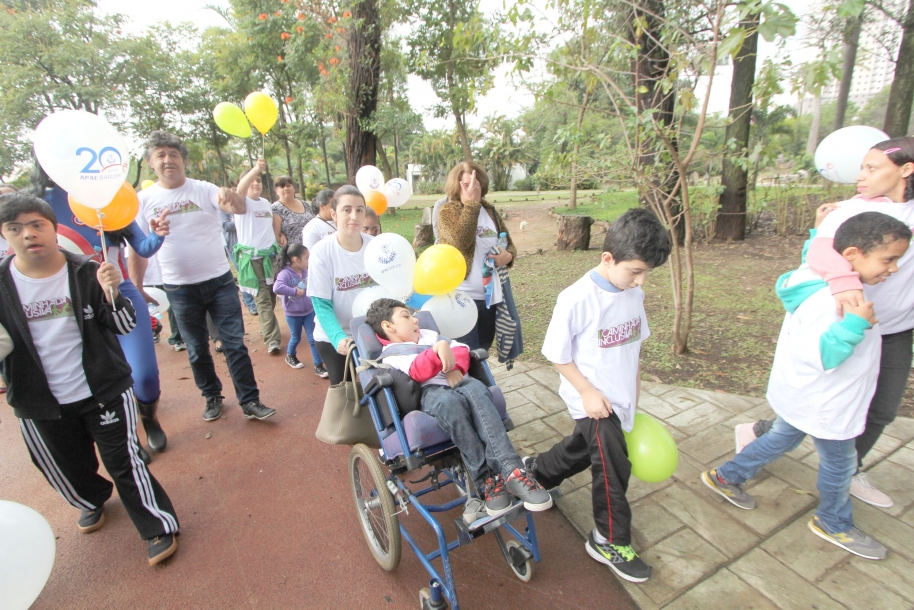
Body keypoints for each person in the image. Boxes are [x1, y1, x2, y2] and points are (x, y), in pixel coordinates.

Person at [703, 212, 911, 561]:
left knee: (780, 438)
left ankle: (726, 476)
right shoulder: (830, 303)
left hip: (810, 399)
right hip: (825, 403)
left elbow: (810, 252)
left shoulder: (820, 278)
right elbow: (824, 355)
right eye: (888, 259)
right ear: (851, 255)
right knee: (840, 465)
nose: (893, 269)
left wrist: (818, 229)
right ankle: (832, 521)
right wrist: (856, 325)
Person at [0, 193, 179, 566]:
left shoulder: (86, 271)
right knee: (67, 466)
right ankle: (92, 498)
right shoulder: (2, 284)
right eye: (15, 228)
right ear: (5, 235)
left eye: (37, 225)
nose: (29, 235)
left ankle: (157, 524)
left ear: (54, 228)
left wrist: (113, 295)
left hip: (103, 390)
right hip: (39, 401)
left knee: (125, 460)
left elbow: (125, 325)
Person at [735, 137, 914, 509]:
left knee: (876, 409)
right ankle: (834, 505)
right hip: (850, 323)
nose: (859, 176)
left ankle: (843, 471)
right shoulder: (850, 211)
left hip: (894, 327)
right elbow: (818, 252)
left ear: (906, 170)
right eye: (862, 166)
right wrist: (846, 285)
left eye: (871, 168)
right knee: (812, 419)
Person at [527, 208, 672, 583]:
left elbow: (634, 348)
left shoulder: (632, 294)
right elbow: (556, 354)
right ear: (608, 258)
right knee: (612, 466)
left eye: (646, 274)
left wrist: (634, 398)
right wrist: (588, 392)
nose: (640, 281)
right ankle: (608, 538)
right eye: (635, 271)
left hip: (621, 398)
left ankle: (538, 473)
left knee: (584, 448)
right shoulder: (575, 298)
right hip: (591, 400)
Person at [134, 130, 275, 423]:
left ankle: (250, 400)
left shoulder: (204, 188)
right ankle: (212, 396)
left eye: (173, 154)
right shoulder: (143, 200)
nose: (168, 160)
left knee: (234, 343)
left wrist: (231, 196)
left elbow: (236, 207)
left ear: (184, 160)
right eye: (160, 155)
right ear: (150, 162)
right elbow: (137, 247)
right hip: (178, 287)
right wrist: (136, 287)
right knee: (197, 349)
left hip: (220, 280)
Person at [366, 298, 552, 520]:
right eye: (406, 316)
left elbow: (462, 349)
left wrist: (454, 363)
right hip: (432, 393)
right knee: (450, 404)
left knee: (478, 390)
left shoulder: (428, 335)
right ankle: (487, 481)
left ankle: (511, 469)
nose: (414, 319)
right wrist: (440, 349)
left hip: (460, 381)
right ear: (389, 326)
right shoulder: (393, 353)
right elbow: (418, 370)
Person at [36, 169, 171, 462]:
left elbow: (143, 246)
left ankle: (149, 417)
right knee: (102, 380)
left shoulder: (109, 197)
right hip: (74, 303)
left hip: (120, 293)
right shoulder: (42, 202)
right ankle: (128, 439)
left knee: (144, 376)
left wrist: (157, 234)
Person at [437, 163, 520, 353]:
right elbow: (461, 241)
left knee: (482, 352)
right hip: (460, 297)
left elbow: (508, 242)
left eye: (476, 185)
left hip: (489, 297)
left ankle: (482, 383)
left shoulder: (490, 211)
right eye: (466, 185)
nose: (472, 190)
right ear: (456, 187)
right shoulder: (447, 211)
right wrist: (472, 205)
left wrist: (508, 256)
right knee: (467, 355)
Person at [307, 185, 376, 384]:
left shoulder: (376, 247)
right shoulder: (321, 252)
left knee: (379, 392)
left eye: (359, 210)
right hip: (335, 339)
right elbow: (320, 303)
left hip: (370, 333)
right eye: (347, 210)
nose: (354, 216)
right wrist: (338, 338)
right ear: (333, 214)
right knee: (345, 396)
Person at [235, 160, 282, 354]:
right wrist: (256, 169)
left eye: (259, 181)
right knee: (262, 298)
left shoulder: (265, 204)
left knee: (271, 297)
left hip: (270, 258)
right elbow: (239, 190)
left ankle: (266, 327)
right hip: (252, 260)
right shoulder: (241, 203)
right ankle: (273, 339)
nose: (256, 184)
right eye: (252, 181)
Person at [273, 242, 328, 377]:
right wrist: (293, 291)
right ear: (296, 260)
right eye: (307, 258)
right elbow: (276, 288)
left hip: (308, 311)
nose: (309, 261)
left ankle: (318, 365)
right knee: (296, 337)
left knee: (312, 338)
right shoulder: (285, 274)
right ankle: (290, 355)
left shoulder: (306, 271)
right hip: (293, 314)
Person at [219, 209, 259, 315]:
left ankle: (251, 300)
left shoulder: (245, 204)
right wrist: (244, 220)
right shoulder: (223, 209)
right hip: (234, 247)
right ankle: (250, 303)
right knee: (243, 274)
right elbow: (226, 226)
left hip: (249, 245)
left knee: (252, 273)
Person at [271, 175, 313, 246]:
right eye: (282, 186)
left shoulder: (305, 204)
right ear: (276, 191)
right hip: (292, 252)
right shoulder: (276, 208)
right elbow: (276, 235)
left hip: (311, 247)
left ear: (293, 188)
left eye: (288, 186)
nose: (286, 188)